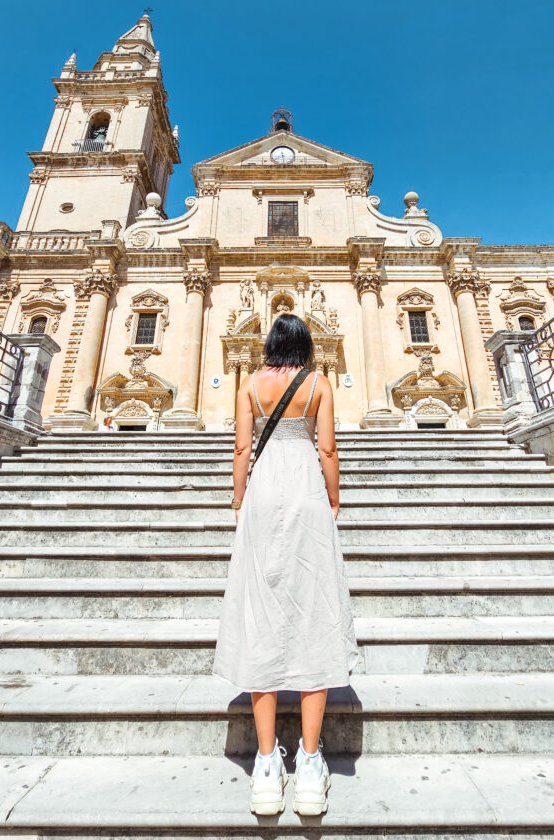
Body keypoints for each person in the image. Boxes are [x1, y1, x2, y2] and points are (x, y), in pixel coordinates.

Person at [212, 314, 359, 817]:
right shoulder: (317, 383)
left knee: (263, 617)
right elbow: (328, 448)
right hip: (306, 493)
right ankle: (312, 763)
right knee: (314, 614)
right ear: (306, 345)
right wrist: (335, 500)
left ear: (271, 345)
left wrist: (238, 502)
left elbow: (240, 447)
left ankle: (267, 761)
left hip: (262, 494)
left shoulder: (250, 384)